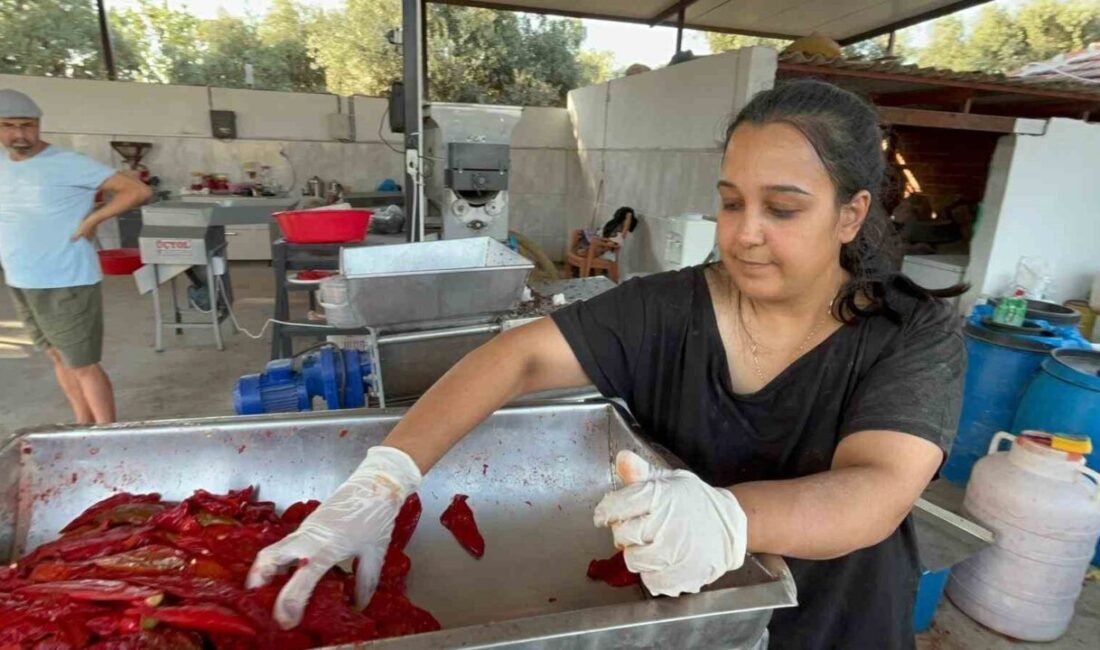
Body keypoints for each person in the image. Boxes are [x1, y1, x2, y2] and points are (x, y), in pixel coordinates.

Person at [248, 80, 966, 649]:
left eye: (783, 209)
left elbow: (875, 489)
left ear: (850, 214)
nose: (746, 234)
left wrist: (725, 517)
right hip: (688, 627)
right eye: (730, 202)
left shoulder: (912, 335)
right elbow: (517, 357)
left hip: (834, 629)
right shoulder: (665, 311)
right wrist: (386, 476)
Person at [0, 89, 152, 424]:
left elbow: (137, 190)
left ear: (38, 125)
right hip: (22, 278)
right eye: (9, 125)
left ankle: (108, 434)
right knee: (57, 356)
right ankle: (82, 426)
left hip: (66, 278)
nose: (19, 134)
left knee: (83, 363)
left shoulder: (68, 163)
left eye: (27, 125)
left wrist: (93, 219)